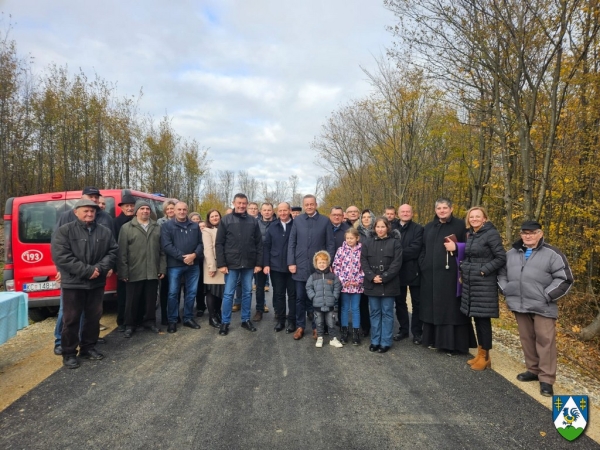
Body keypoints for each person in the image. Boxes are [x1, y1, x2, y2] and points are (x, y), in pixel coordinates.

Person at [498, 220, 573, 397]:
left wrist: (547, 295)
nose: (528, 236)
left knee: (545, 341)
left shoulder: (552, 254)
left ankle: (546, 379)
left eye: (532, 233)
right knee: (527, 338)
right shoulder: (511, 254)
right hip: (519, 303)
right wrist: (506, 289)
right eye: (525, 233)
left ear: (540, 234)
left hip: (543, 306)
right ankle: (533, 370)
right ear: (521, 235)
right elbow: (501, 274)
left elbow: (564, 278)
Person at [51, 199, 118, 368]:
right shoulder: (64, 231)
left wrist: (99, 269)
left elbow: (113, 251)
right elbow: (61, 256)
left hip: (96, 283)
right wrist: (87, 271)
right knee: (71, 319)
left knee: (93, 317)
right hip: (73, 283)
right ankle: (69, 353)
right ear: (76, 212)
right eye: (85, 211)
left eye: (92, 211)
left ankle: (88, 348)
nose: (89, 214)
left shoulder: (104, 232)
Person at [419, 198, 476, 354]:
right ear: (435, 210)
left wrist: (457, 247)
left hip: (452, 276)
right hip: (430, 276)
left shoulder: (460, 226)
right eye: (439, 208)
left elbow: (472, 246)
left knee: (451, 310)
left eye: (445, 208)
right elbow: (423, 248)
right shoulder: (429, 227)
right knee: (433, 307)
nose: (442, 210)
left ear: (451, 209)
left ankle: (453, 345)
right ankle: (434, 341)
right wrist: (423, 264)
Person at [458, 206, 506, 370]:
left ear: (484, 218)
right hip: (472, 282)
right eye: (472, 217)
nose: (474, 219)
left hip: (484, 283)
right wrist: (465, 267)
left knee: (483, 320)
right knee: (476, 318)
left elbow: (501, 257)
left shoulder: (491, 234)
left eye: (478, 217)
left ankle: (485, 357)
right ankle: (480, 354)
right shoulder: (472, 234)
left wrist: (484, 270)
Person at [288, 194, 335, 340]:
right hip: (300, 266)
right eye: (306, 204)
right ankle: (300, 326)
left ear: (316, 204)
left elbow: (330, 245)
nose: (309, 206)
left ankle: (317, 328)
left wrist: (328, 263)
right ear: (304, 205)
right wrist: (291, 262)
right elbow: (292, 243)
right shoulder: (298, 221)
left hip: (318, 268)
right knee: (300, 298)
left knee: (316, 299)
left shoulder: (325, 221)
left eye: (311, 204)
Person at [216, 193, 263, 335]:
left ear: (247, 204)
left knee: (247, 292)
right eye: (239, 203)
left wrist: (258, 263)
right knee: (229, 294)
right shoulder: (226, 220)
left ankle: (245, 320)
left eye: (244, 203)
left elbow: (259, 243)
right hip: (231, 264)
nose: (242, 206)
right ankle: (225, 322)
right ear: (234, 203)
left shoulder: (253, 221)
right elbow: (219, 243)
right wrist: (221, 264)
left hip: (249, 263)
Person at [117, 200, 166, 338]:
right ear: (136, 211)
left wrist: (162, 268)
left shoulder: (157, 227)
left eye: (147, 209)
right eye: (142, 208)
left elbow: (162, 251)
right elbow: (122, 253)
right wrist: (123, 272)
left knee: (150, 299)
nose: (145, 211)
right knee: (132, 300)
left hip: (152, 270)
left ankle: (150, 321)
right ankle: (130, 324)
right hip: (134, 270)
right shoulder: (127, 228)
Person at [361, 217, 403, 353]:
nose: (380, 229)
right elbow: (364, 261)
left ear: (388, 228)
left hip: (389, 284)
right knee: (374, 313)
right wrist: (372, 276)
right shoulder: (367, 242)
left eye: (382, 227)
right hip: (372, 284)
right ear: (374, 228)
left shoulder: (395, 243)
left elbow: (396, 264)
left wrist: (384, 277)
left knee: (387, 313)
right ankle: (375, 340)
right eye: (377, 227)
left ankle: (385, 341)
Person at [160, 202, 204, 333]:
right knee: (173, 293)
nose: (182, 211)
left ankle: (188, 317)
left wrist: (194, 255)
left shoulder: (194, 226)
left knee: (191, 292)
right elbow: (166, 245)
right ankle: (172, 320)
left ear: (187, 210)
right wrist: (184, 258)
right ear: (174, 210)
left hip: (193, 265)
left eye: (184, 209)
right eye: (179, 209)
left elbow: (201, 244)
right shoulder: (167, 226)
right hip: (175, 265)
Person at [393, 204, 425, 344]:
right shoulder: (391, 227)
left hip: (414, 271)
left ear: (412, 213)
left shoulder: (419, 229)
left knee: (417, 303)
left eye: (408, 211)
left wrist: (396, 254)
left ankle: (417, 332)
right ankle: (403, 330)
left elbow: (415, 249)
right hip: (396, 272)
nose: (405, 213)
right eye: (403, 211)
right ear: (398, 213)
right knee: (399, 302)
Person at [264, 202, 296, 332]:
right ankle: (281, 320)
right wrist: (266, 264)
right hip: (276, 266)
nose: (282, 213)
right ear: (277, 211)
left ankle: (292, 321)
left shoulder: (296, 225)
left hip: (292, 267)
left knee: (293, 295)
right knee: (279, 294)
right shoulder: (272, 226)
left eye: (285, 210)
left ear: (289, 211)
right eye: (280, 210)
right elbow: (267, 246)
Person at [332, 227, 364, 345]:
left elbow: (364, 267)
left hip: (357, 285)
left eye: (352, 238)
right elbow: (336, 266)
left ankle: (356, 332)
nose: (350, 240)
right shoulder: (341, 250)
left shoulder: (362, 251)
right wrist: (342, 279)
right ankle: (344, 331)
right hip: (344, 285)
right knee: (344, 308)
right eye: (348, 238)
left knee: (355, 308)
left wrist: (359, 280)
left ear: (357, 238)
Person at [306, 251, 343, 348]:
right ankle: (320, 337)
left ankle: (333, 338)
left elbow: (337, 287)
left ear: (327, 263)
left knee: (331, 322)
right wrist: (313, 296)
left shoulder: (332, 276)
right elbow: (308, 287)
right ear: (316, 264)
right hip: (317, 305)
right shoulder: (313, 277)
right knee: (319, 322)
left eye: (324, 262)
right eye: (320, 262)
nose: (322, 264)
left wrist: (334, 296)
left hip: (330, 305)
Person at [113, 194, 136, 332]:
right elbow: (114, 245)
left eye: (132, 205)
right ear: (121, 207)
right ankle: (121, 320)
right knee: (123, 294)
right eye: (127, 205)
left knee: (136, 294)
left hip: (137, 264)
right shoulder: (116, 223)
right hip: (123, 263)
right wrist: (117, 266)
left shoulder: (138, 220)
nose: (129, 208)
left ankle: (135, 319)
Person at [202, 209, 225, 328]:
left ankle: (218, 313)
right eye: (212, 216)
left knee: (220, 291)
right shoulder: (207, 230)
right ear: (208, 219)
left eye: (217, 216)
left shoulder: (224, 228)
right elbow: (208, 249)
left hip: (223, 265)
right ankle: (212, 317)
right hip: (212, 265)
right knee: (211, 292)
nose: (215, 218)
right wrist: (212, 267)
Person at [157, 199, 178, 324]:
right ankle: (165, 316)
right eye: (168, 209)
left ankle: (174, 314)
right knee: (165, 290)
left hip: (177, 260)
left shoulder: (182, 222)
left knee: (175, 290)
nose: (170, 211)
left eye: (172, 208)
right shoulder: (161, 222)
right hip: (165, 259)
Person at [254, 202, 275, 320]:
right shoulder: (255, 224)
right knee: (259, 287)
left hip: (275, 259)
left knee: (277, 288)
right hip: (260, 260)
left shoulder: (277, 224)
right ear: (260, 211)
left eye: (269, 210)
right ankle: (259, 310)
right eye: (264, 210)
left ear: (272, 211)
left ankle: (278, 310)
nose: (267, 212)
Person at [357, 209, 375, 336]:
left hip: (375, 268)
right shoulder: (357, 232)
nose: (366, 219)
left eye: (369, 217)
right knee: (362, 302)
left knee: (374, 302)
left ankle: (376, 327)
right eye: (364, 217)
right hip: (360, 269)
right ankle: (365, 327)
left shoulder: (377, 231)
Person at [189, 212, 206, 318]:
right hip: (193, 261)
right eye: (193, 219)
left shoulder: (206, 233)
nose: (195, 221)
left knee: (201, 285)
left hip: (203, 262)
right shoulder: (190, 232)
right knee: (191, 286)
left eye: (197, 219)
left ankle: (201, 306)